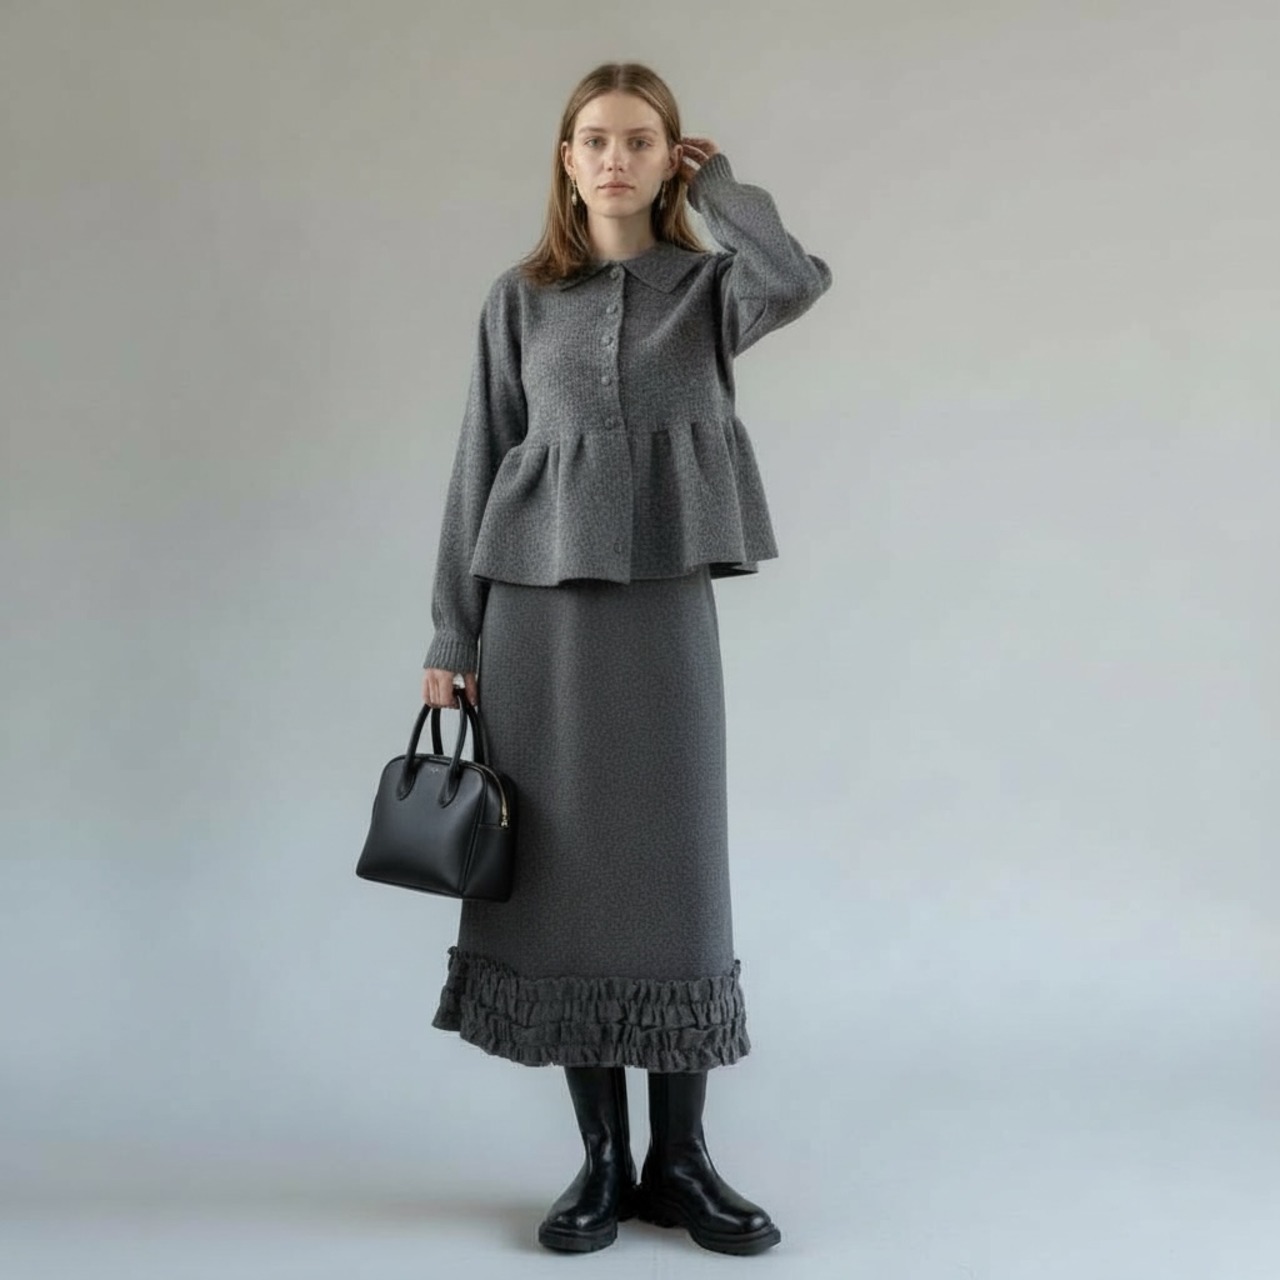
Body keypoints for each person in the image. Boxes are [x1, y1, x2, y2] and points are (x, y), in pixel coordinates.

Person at [420, 61, 832, 1256]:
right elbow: (479, 459)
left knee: (673, 873)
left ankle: (681, 1160)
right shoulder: (518, 299)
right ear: (565, 159)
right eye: (594, 139)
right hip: (534, 619)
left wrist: (725, 190)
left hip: (659, 609)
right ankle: (602, 1160)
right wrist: (451, 632)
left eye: (640, 140)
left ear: (668, 158)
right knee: (564, 874)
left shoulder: (706, 290)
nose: (614, 158)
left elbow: (793, 279)